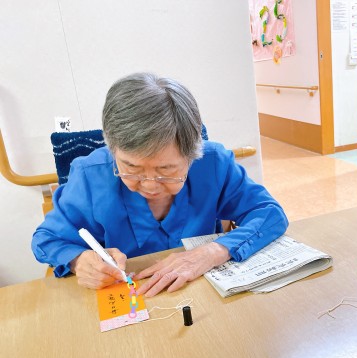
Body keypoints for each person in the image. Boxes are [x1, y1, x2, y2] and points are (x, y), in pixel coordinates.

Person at [32, 73, 288, 297]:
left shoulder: (212, 163)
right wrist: (79, 260)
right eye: (131, 168)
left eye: (166, 170)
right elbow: (47, 239)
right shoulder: (90, 175)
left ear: (192, 156)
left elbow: (269, 213)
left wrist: (213, 252)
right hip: (129, 300)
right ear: (112, 149)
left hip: (202, 294)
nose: (150, 185)